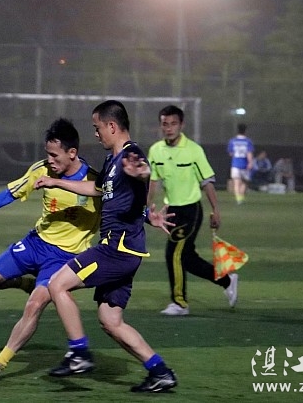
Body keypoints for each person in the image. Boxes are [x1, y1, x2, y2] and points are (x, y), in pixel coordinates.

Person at [34, 100, 178, 394]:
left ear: (112, 126)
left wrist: (141, 175)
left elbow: (143, 172)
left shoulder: (131, 154)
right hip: (125, 250)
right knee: (110, 321)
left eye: (97, 127)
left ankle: (78, 353)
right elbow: (97, 190)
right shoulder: (112, 162)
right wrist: (55, 182)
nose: (96, 133)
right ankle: (161, 372)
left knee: (57, 284)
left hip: (116, 249)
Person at [0, 118, 100, 383]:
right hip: (35, 244)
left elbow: (124, 202)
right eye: (47, 154)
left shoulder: (94, 182)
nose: (50, 160)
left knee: (34, 305)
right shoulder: (41, 170)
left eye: (54, 155)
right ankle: (26, 283)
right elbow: (10, 192)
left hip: (64, 258)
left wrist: (149, 216)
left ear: (72, 153)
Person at [147, 104, 238, 316]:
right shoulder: (155, 150)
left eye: (173, 124)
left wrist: (216, 210)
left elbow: (207, 182)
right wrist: (146, 209)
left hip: (191, 211)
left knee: (173, 253)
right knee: (187, 259)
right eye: (165, 124)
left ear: (182, 125)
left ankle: (180, 303)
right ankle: (227, 280)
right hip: (172, 212)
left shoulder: (194, 150)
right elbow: (152, 182)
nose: (169, 128)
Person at [227, 123, 254, 205]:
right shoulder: (248, 141)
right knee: (245, 182)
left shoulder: (232, 141)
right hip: (244, 164)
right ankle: (241, 198)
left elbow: (231, 153)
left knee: (236, 182)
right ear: (245, 131)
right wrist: (250, 162)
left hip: (235, 164)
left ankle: (238, 199)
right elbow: (249, 153)